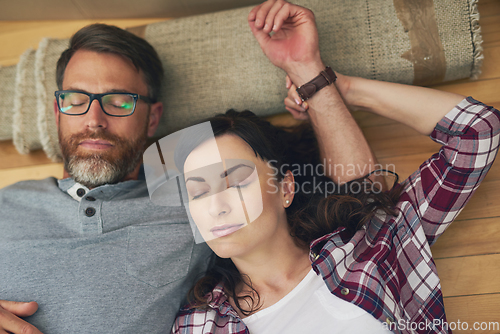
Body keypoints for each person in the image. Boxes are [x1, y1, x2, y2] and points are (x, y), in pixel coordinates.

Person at [0, 8, 377, 334]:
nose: (94, 120)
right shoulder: (7, 204)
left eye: (119, 101)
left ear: (153, 119)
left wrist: (308, 73)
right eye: (76, 100)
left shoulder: (195, 200)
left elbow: (360, 193)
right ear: (56, 112)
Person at [168, 1, 500, 334]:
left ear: (285, 188)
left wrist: (337, 86)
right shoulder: (198, 323)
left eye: (236, 181)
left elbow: (477, 132)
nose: (216, 206)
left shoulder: (374, 245)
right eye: (197, 191)